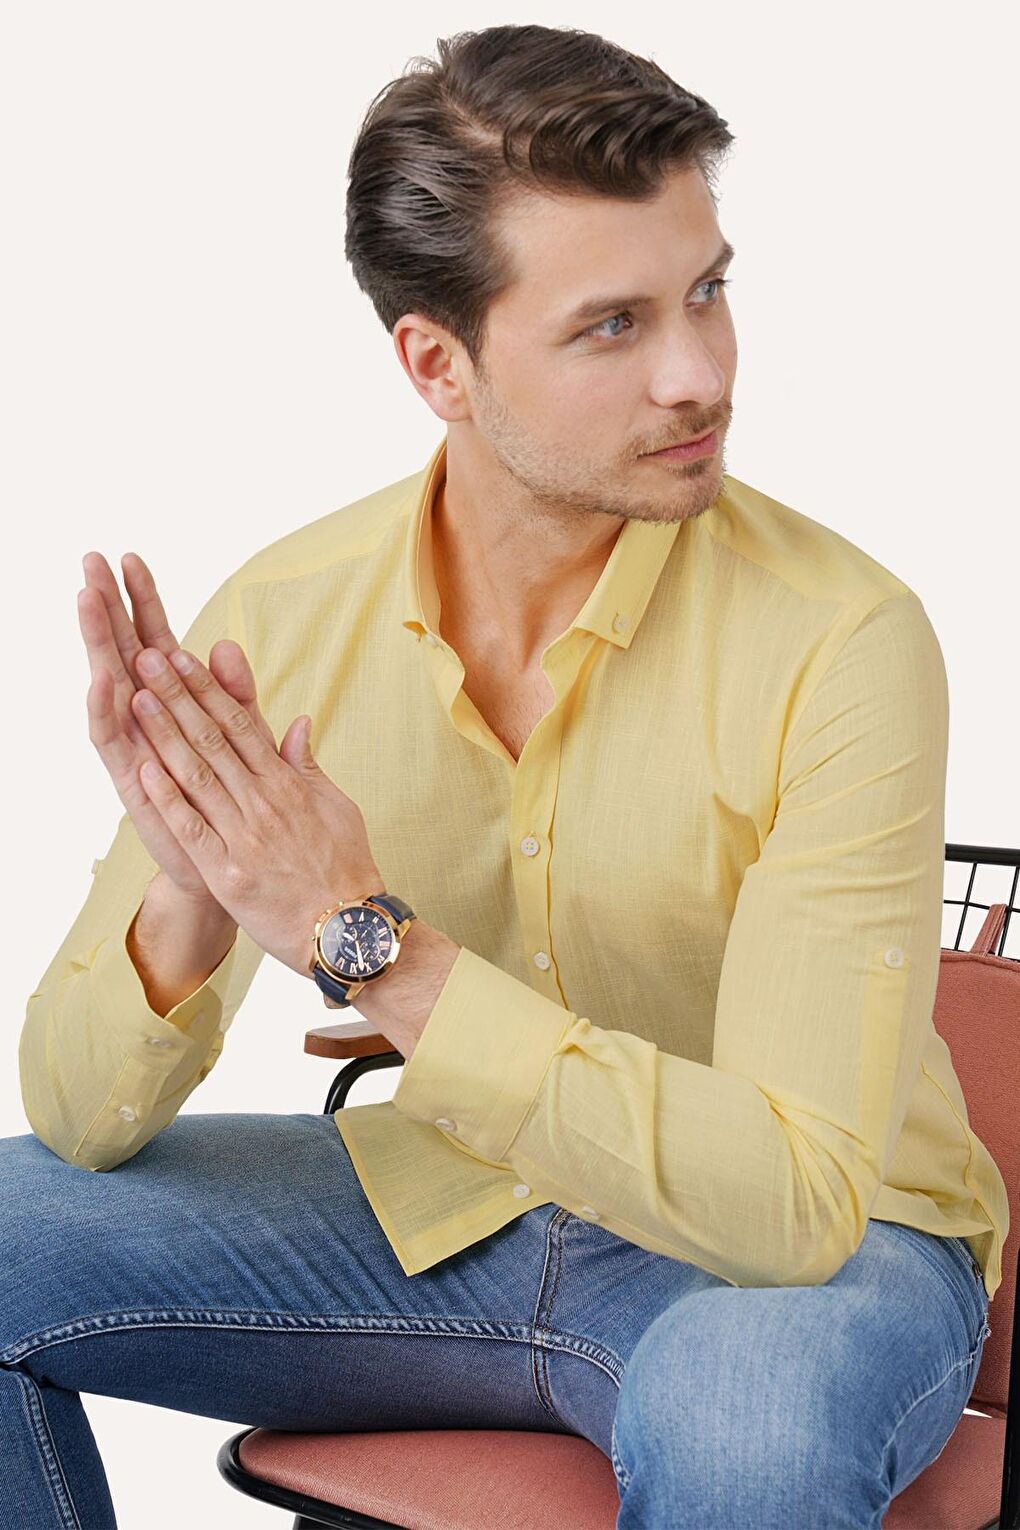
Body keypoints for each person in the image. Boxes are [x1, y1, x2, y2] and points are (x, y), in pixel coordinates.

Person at [3, 22, 1005, 1529]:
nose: (699, 374)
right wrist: (196, 900)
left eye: (709, 290)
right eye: (612, 326)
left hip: (809, 1257)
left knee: (744, 1432)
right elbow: (79, 1124)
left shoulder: (843, 639)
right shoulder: (287, 616)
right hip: (449, 1208)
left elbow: (794, 1205)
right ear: (437, 362)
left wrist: (371, 945)